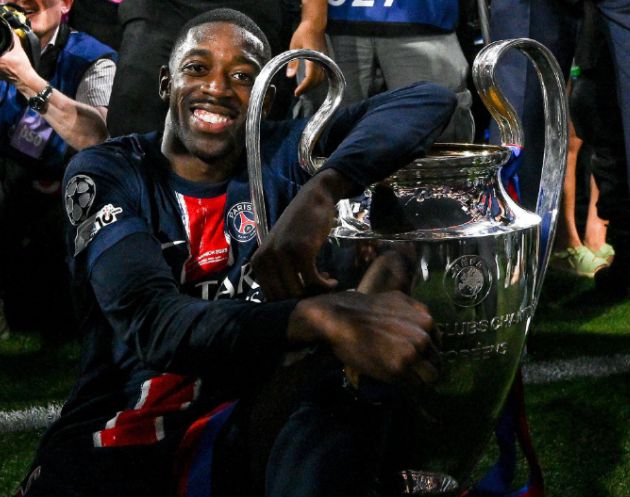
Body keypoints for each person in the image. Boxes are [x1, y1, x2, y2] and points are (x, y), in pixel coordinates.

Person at [15, 8, 456, 497]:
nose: (218, 88)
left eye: (244, 77)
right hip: (113, 446)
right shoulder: (108, 172)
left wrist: (323, 190)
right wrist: (323, 316)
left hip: (235, 439)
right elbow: (155, 323)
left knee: (336, 384)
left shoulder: (284, 153)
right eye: (197, 68)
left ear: (268, 99)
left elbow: (428, 100)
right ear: (165, 83)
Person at [0, 0, 116, 338]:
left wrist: (26, 78)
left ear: (66, 3)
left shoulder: (93, 58)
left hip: (70, 188)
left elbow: (97, 139)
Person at [288, 0, 474, 142]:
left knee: (438, 143)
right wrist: (312, 20)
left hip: (426, 17)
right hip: (333, 21)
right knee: (326, 141)